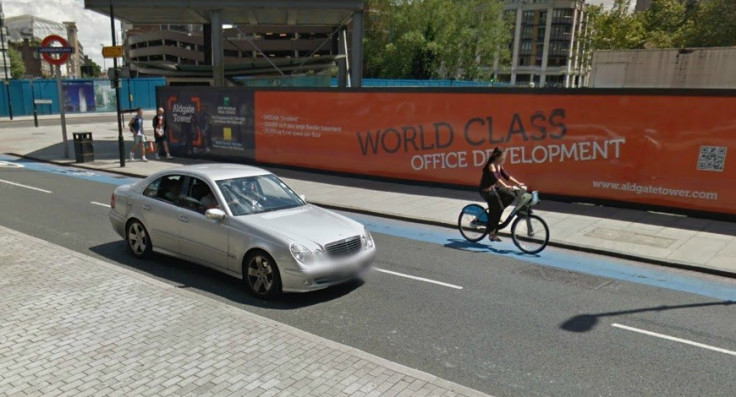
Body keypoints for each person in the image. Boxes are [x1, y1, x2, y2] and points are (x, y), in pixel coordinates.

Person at [479, 147, 525, 242]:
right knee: (499, 207)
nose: (504, 158)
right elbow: (497, 179)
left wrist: (518, 184)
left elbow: (507, 176)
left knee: (512, 195)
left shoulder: (499, 165)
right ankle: (492, 233)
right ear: (497, 157)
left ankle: (496, 212)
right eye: (503, 156)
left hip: (494, 188)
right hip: (486, 191)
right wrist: (506, 186)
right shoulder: (491, 165)